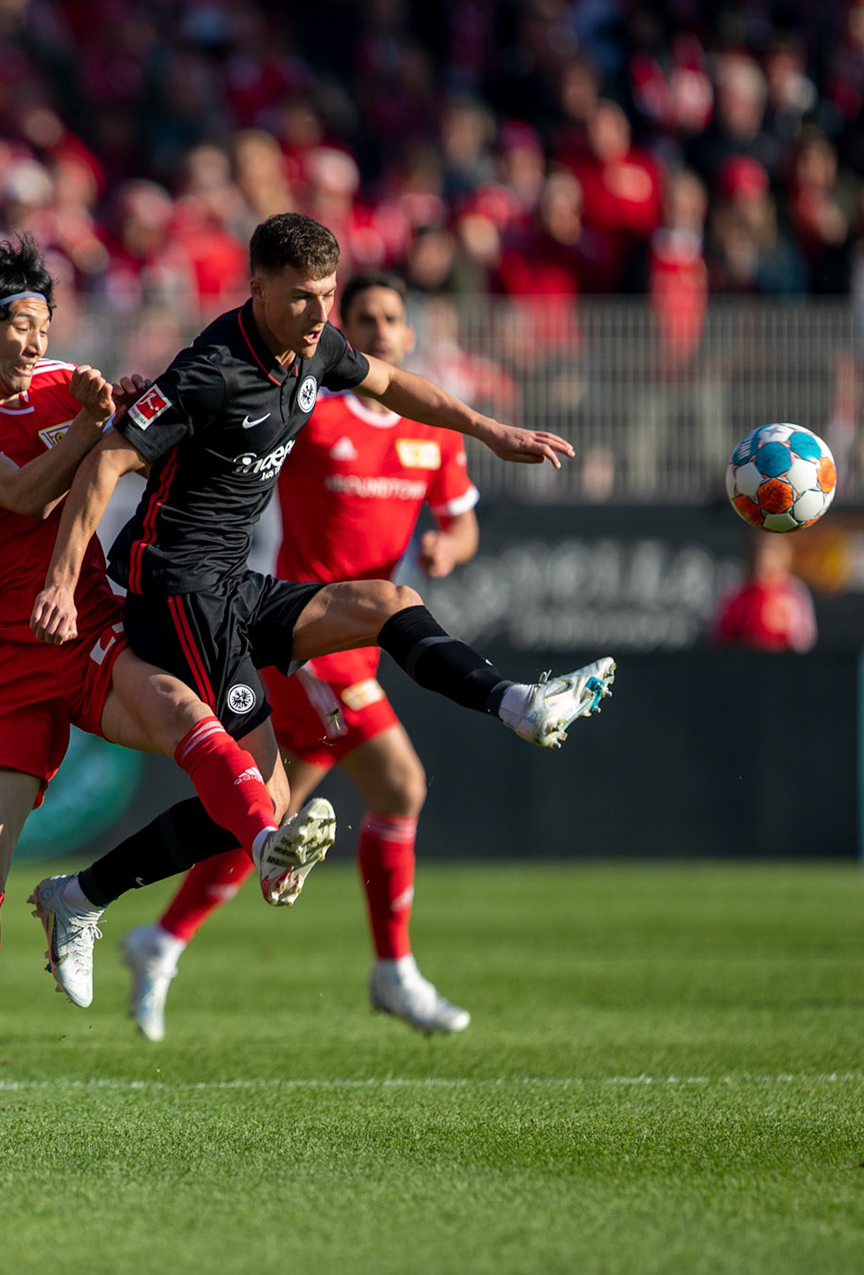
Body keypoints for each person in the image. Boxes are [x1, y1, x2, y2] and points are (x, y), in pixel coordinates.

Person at [30, 212, 616, 949]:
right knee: (259, 805)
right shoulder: (209, 369)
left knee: (390, 602)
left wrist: (492, 431)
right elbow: (107, 459)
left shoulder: (316, 350)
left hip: (235, 584)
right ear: (258, 287)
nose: (319, 315)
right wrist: (59, 579)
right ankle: (83, 897)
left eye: (327, 295)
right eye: (302, 296)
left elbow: (396, 384)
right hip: (174, 590)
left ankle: (516, 702)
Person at [0, 235, 336, 1135]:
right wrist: (94, 427)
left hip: (91, 630)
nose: (34, 342)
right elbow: (24, 493)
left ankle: (266, 844)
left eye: (43, 325)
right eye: (17, 327)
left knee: (191, 716)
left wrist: (125, 416)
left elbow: (138, 436)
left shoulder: (70, 383)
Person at [117, 270, 485, 1039]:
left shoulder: (431, 434)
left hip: (362, 634)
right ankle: (394, 971)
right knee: (400, 786)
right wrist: (146, 415)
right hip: (304, 638)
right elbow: (218, 442)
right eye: (367, 320)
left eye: (393, 317)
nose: (381, 330)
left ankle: (159, 936)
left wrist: (451, 542)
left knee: (266, 811)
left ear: (410, 334)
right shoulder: (312, 411)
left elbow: (460, 520)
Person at [712, 534, 817, 653]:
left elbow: (804, 643)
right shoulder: (735, 592)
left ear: (787, 555)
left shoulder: (795, 595)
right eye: (760, 551)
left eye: (773, 551)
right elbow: (720, 638)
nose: (764, 559)